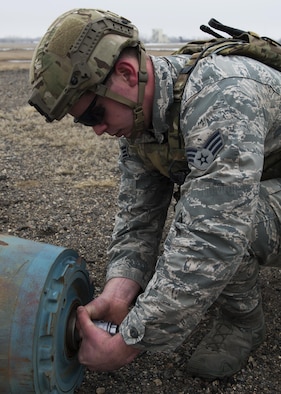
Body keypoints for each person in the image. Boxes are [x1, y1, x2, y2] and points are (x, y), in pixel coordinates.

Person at [28, 8, 281, 380]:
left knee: (220, 221)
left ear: (127, 75)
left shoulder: (221, 97)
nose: (96, 130)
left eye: (92, 115)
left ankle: (241, 322)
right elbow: (138, 217)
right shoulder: (143, 119)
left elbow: (213, 235)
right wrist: (119, 292)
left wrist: (130, 341)